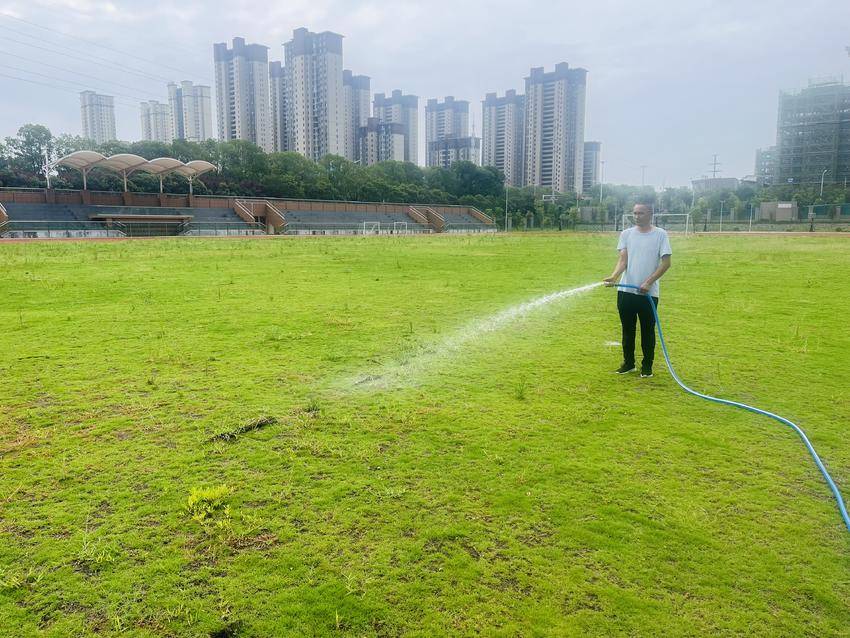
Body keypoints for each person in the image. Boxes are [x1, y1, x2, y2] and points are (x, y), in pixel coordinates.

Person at [603, 204, 672, 378]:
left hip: (648, 294)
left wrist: (648, 282)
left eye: (640, 213)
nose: (636, 216)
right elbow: (623, 260)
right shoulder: (626, 234)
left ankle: (647, 367)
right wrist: (614, 277)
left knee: (647, 330)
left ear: (650, 214)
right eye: (634, 213)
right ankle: (628, 364)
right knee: (627, 329)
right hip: (626, 292)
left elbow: (666, 263)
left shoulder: (660, 235)